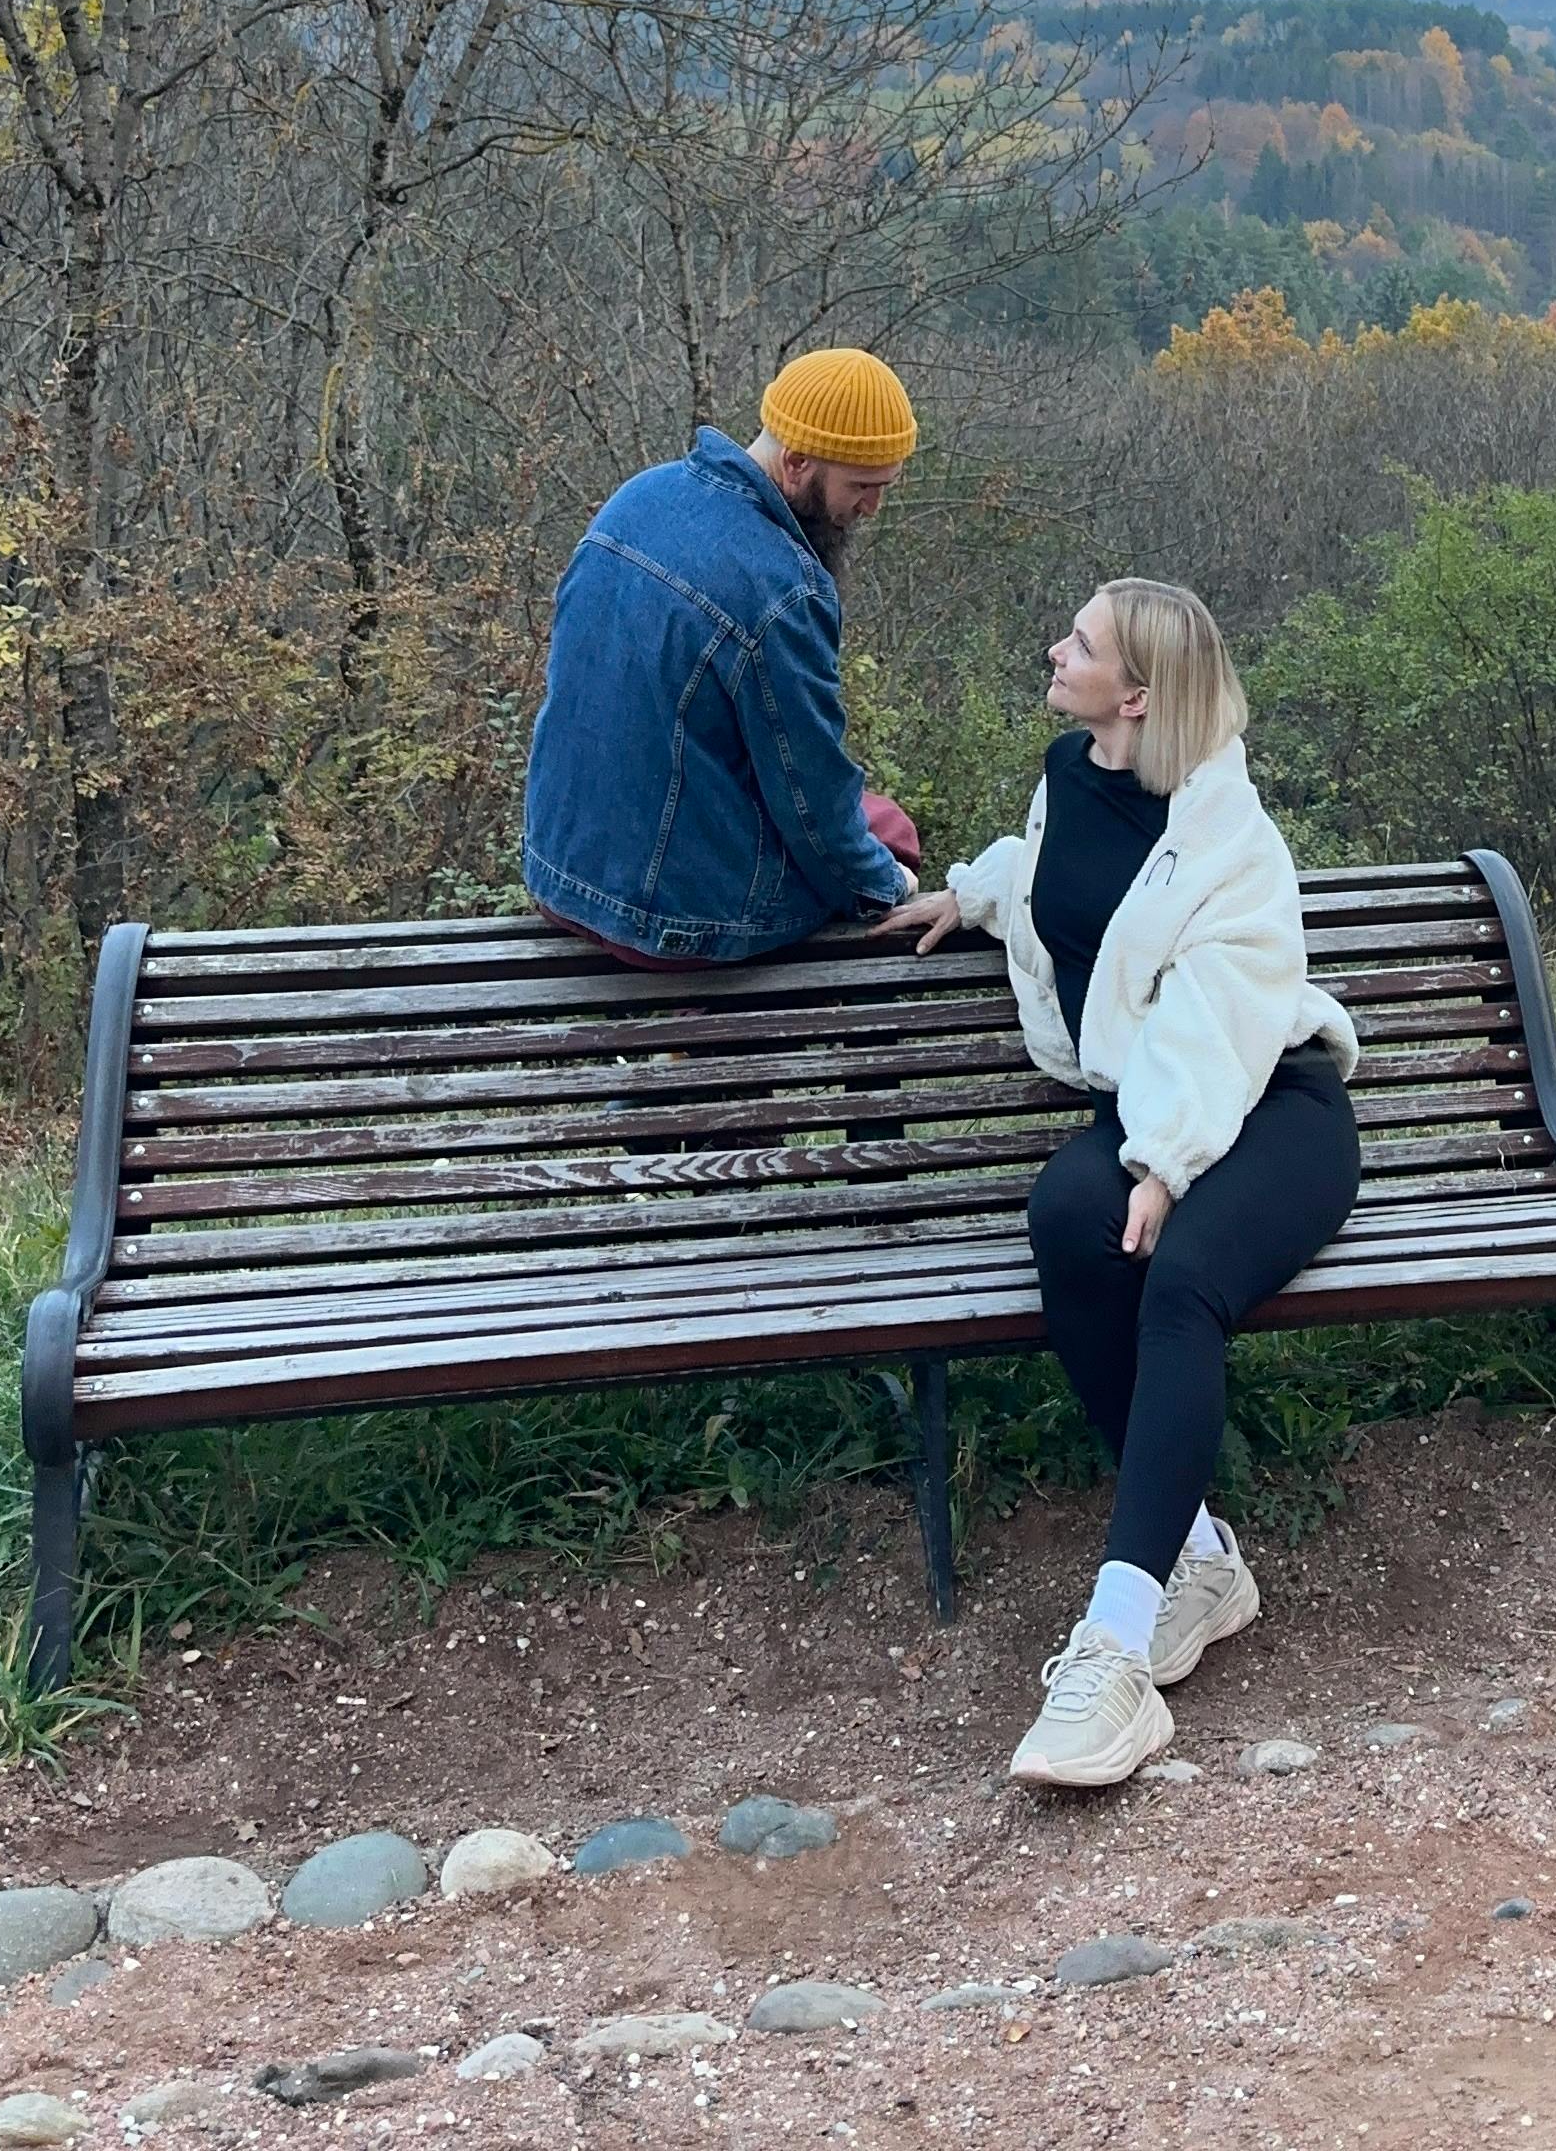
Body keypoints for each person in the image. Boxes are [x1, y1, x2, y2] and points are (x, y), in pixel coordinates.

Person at [878, 577, 1359, 1787]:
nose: (1056, 646)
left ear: (1137, 693)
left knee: (1180, 1278)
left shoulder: (1231, 841)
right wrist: (975, 893)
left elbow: (1216, 1019)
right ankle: (1200, 1559)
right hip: (1158, 1110)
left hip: (1271, 1109)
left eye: (1079, 643)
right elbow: (1053, 878)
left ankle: (1117, 1650)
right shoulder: (1070, 771)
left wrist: (1158, 1164)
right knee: (1063, 1220)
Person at [522, 349, 922, 961]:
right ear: (796, 461)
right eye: (862, 487)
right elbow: (809, 794)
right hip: (662, 922)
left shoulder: (637, 497)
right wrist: (888, 885)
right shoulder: (785, 588)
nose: (872, 509)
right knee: (886, 832)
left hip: (556, 874)